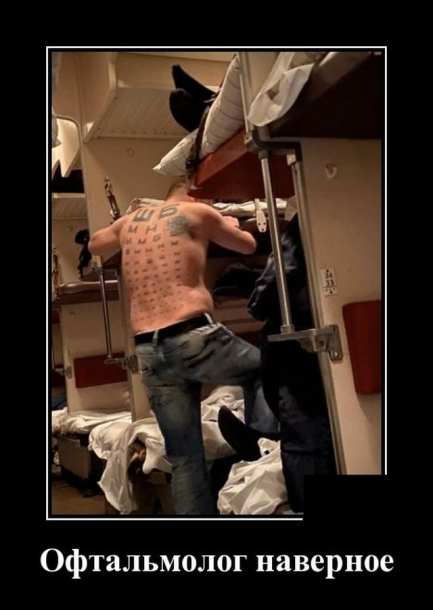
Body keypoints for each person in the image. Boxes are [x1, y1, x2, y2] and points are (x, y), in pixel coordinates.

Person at [89, 179, 278, 515]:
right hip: (193, 336)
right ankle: (259, 435)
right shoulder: (198, 212)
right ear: (196, 192)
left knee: (184, 459)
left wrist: (128, 224)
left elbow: (95, 244)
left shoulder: (128, 223)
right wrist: (227, 221)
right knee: (267, 365)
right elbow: (248, 246)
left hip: (148, 349)